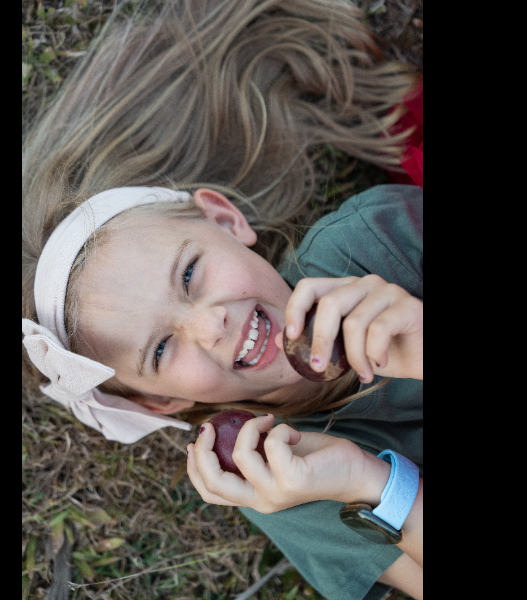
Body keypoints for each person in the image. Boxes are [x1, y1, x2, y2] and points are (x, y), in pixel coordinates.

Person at [22, 1, 423, 598]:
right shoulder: (278, 477)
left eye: (189, 275)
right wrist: (366, 483)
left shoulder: (372, 244)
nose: (210, 325)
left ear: (225, 220)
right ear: (161, 402)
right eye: (161, 349)